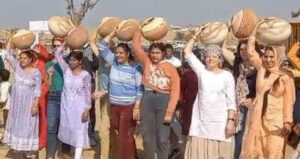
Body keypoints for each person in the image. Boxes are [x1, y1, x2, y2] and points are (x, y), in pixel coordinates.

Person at [240, 23, 295, 159]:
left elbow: (289, 102)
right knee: (256, 152)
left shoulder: (285, 76)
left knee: (273, 153)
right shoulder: (261, 69)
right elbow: (251, 53)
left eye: (272, 57)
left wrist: (287, 122)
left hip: (276, 123)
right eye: (266, 56)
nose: (268, 60)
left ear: (279, 58)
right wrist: (254, 31)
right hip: (258, 119)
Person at [183, 29, 236, 159]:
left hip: (220, 123)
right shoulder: (202, 72)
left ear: (220, 60)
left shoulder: (227, 76)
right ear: (204, 58)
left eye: (214, 56)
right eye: (208, 56)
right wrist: (196, 35)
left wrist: (230, 121)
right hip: (201, 122)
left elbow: (231, 102)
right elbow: (187, 52)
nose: (210, 58)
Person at [90, 28, 143, 159]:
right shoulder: (113, 62)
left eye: (121, 53)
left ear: (127, 54)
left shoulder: (136, 68)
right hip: (113, 106)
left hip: (128, 106)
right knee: (124, 135)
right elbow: (102, 45)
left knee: (123, 138)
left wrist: (137, 107)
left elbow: (139, 88)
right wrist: (113, 32)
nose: (118, 55)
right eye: (116, 52)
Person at [133, 30, 180, 159]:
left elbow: (175, 91)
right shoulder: (147, 61)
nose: (154, 55)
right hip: (147, 99)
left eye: (158, 53)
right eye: (152, 53)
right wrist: (139, 30)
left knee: (163, 138)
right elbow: (136, 46)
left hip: (164, 100)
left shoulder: (170, 67)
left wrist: (170, 112)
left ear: (163, 54)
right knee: (147, 138)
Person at [2, 38, 42, 158]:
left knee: (28, 128)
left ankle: (27, 153)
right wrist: (12, 38)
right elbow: (8, 53)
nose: (22, 60)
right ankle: (18, 152)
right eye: (21, 58)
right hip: (16, 106)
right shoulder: (17, 68)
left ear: (30, 59)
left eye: (25, 58)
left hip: (29, 106)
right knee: (17, 126)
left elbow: (38, 90)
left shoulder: (36, 72)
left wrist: (35, 105)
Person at [222, 39, 258, 159]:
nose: (243, 52)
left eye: (246, 49)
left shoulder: (259, 68)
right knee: (237, 143)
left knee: (248, 143)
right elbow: (223, 50)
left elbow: (264, 90)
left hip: (252, 110)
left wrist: (253, 99)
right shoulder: (238, 65)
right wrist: (227, 30)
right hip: (238, 110)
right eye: (241, 49)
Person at [55, 44, 92, 159]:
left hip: (79, 109)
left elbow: (87, 93)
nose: (71, 62)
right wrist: (66, 41)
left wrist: (87, 109)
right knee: (69, 133)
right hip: (66, 108)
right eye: (70, 60)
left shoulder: (85, 75)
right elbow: (57, 54)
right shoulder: (66, 71)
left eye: (74, 60)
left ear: (80, 61)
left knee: (79, 133)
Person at [32, 43, 55, 149]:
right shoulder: (32, 62)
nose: (34, 52)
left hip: (43, 91)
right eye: (33, 51)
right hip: (33, 92)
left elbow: (48, 55)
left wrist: (40, 50)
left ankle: (42, 140)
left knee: (43, 116)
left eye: (37, 51)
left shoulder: (44, 62)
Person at [45, 37, 64, 159]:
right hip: (53, 97)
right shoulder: (49, 63)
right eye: (55, 46)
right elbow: (48, 85)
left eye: (59, 45)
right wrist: (50, 75)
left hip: (66, 98)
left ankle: (63, 153)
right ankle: (50, 155)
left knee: (64, 126)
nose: (57, 48)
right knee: (51, 127)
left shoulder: (68, 62)